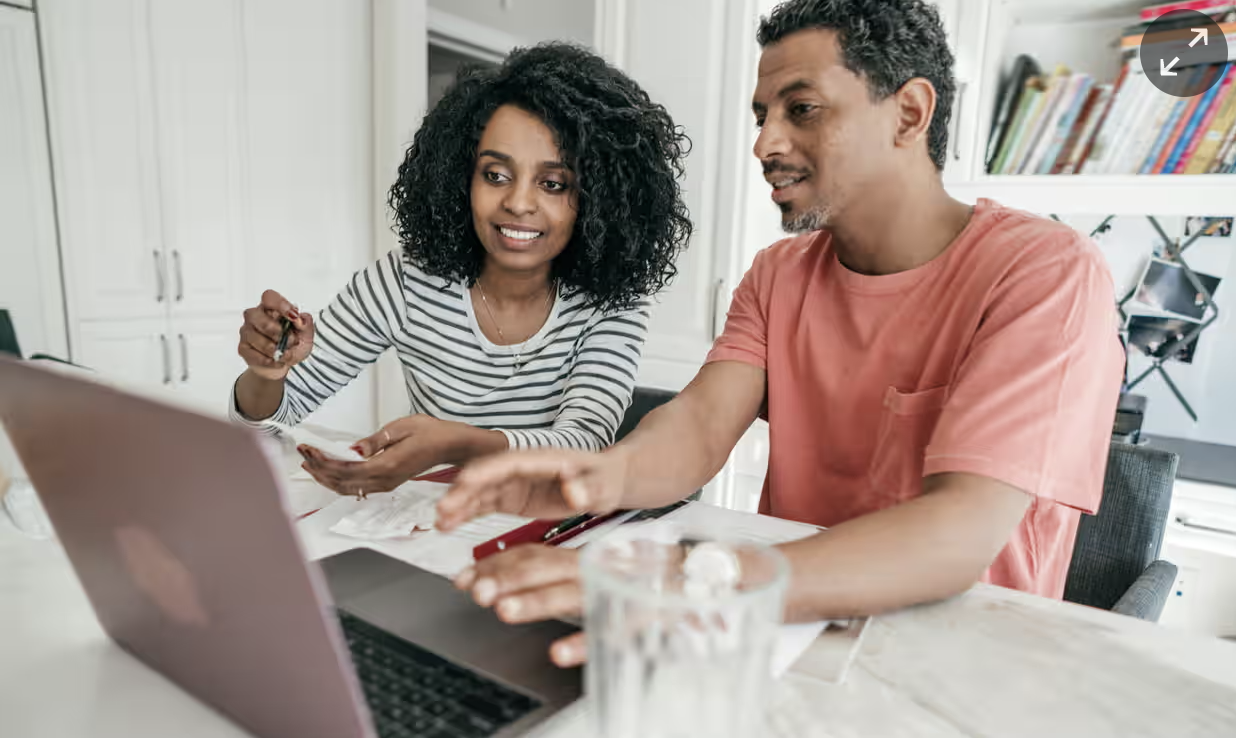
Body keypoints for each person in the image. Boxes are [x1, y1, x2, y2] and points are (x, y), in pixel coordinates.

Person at [436, 0, 1124, 667]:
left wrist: (703, 581)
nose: (765, 142)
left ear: (909, 113)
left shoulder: (1045, 272)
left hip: (960, 662)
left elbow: (958, 533)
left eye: (802, 109)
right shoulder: (779, 273)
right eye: (762, 116)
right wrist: (597, 477)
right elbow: (702, 424)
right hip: (786, 631)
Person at [229, 44, 691, 496]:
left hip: (551, 531)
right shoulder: (405, 282)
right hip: (436, 528)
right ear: (460, 178)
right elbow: (268, 419)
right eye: (495, 175)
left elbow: (585, 441)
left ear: (596, 199)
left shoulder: (611, 302)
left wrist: (453, 442)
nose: (518, 202)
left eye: (553, 184)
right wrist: (267, 374)